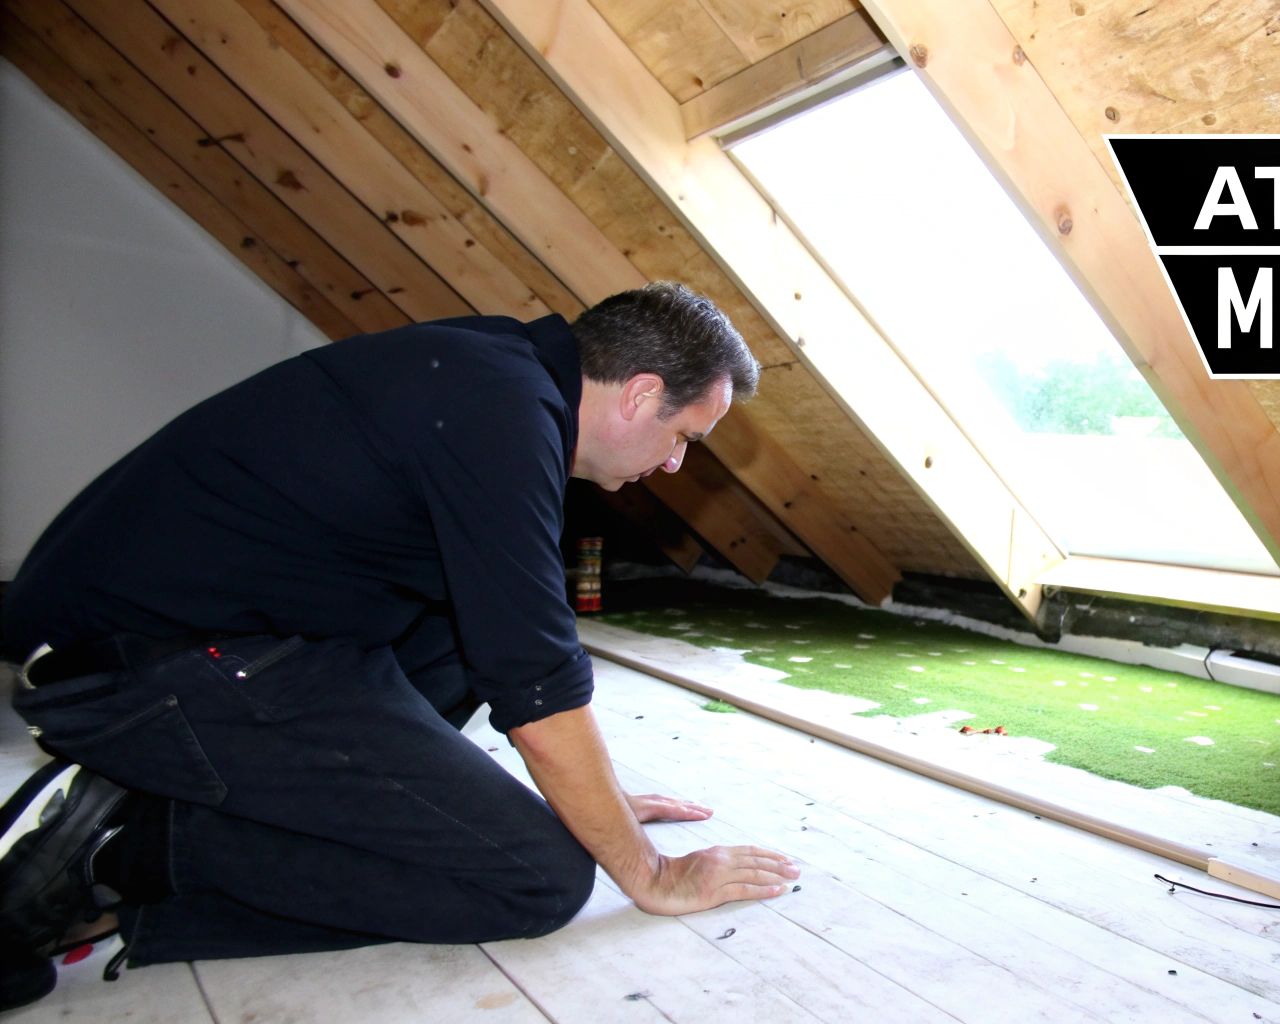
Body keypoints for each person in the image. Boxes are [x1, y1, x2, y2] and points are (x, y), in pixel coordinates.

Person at [0, 281, 800, 1008]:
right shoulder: (504, 415)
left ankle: (165, 798)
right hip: (137, 673)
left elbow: (515, 642)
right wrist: (650, 873)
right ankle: (128, 854)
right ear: (641, 393)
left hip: (179, 639)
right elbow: (538, 683)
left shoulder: (493, 369)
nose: (673, 462)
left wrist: (600, 799)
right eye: (685, 436)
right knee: (534, 880)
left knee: (464, 628)